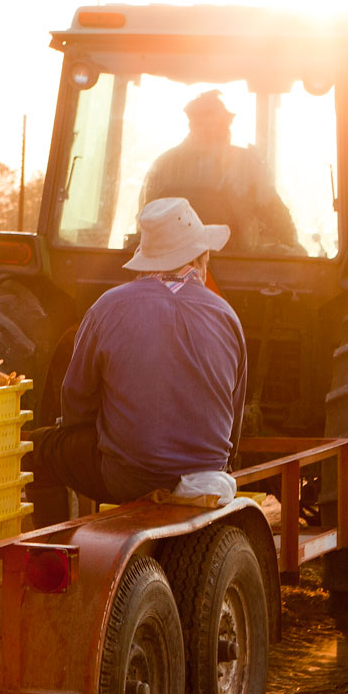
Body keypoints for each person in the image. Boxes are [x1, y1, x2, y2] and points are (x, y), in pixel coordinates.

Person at [28, 197, 247, 524]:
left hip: (127, 479)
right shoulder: (227, 315)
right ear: (202, 258)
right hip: (208, 477)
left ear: (145, 259)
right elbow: (234, 417)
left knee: (37, 451)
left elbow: (76, 402)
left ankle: (56, 553)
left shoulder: (107, 307)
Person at [140, 89, 301, 254]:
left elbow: (275, 213)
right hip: (235, 269)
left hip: (181, 268)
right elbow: (276, 215)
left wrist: (293, 248)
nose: (212, 128)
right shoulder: (246, 165)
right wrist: (295, 250)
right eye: (203, 122)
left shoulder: (165, 165)